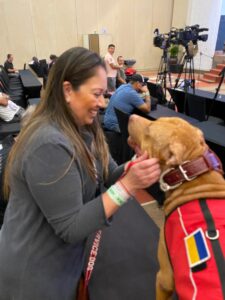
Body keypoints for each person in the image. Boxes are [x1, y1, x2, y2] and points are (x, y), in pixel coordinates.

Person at [0, 47, 160, 300]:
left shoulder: (82, 126)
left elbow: (106, 175)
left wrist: (133, 166)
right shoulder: (48, 143)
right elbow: (71, 227)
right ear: (67, 91)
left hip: (62, 264)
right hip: (34, 277)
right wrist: (129, 186)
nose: (103, 102)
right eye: (96, 94)